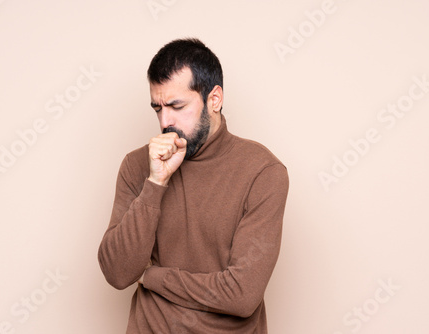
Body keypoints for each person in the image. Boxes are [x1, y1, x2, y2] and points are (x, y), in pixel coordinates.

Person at [98, 38, 289, 333]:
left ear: (214, 99)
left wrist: (152, 277)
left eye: (177, 106)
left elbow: (242, 295)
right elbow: (118, 273)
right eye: (157, 108)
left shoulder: (263, 171)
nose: (165, 121)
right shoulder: (139, 166)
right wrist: (155, 182)